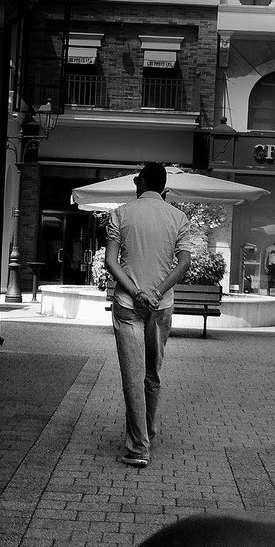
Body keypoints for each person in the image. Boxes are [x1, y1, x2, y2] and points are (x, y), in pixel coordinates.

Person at [105, 163, 194, 468]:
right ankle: (148, 432)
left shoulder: (121, 213)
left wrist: (136, 291)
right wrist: (156, 292)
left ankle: (138, 447)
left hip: (128, 304)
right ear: (164, 187)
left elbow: (110, 261)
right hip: (162, 304)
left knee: (132, 376)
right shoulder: (178, 218)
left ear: (142, 182)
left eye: (135, 179)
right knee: (152, 375)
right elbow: (183, 264)